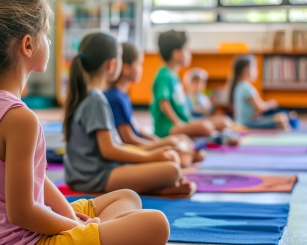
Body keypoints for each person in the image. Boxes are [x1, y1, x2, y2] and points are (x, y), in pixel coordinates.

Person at [0, 2, 170, 245]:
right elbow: (22, 213)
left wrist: (67, 215)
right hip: (22, 240)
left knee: (127, 197)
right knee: (157, 223)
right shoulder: (19, 118)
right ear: (28, 45)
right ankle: (103, 233)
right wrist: (76, 227)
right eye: (45, 34)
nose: (49, 41)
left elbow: (36, 178)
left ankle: (103, 233)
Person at [64, 33, 197, 196]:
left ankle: (159, 188)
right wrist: (149, 157)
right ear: (111, 65)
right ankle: (159, 188)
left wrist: (151, 154)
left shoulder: (91, 95)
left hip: (91, 174)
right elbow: (109, 150)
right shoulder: (96, 99)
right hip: (95, 177)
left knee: (170, 162)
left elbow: (117, 144)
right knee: (173, 170)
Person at [104, 42, 205, 166]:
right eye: (139, 64)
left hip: (140, 144)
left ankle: (186, 155)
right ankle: (185, 155)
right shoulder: (115, 97)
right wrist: (156, 147)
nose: (142, 69)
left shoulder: (123, 95)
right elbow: (128, 139)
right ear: (125, 68)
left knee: (178, 140)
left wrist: (159, 142)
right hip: (133, 149)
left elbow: (138, 130)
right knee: (174, 144)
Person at [151, 30, 236, 142]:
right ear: (176, 54)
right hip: (167, 128)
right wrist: (178, 123)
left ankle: (215, 136)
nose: (189, 53)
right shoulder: (164, 75)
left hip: (184, 122)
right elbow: (163, 102)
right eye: (186, 49)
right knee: (204, 127)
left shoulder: (174, 76)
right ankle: (216, 138)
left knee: (224, 121)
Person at [229, 55, 299, 130]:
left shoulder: (239, 86)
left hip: (242, 122)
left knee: (282, 116)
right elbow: (260, 108)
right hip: (247, 124)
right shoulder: (246, 88)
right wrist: (271, 103)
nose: (257, 71)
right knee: (281, 118)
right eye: (255, 67)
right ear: (246, 70)